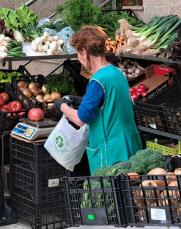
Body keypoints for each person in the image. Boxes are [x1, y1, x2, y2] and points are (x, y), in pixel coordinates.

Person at [58, 26, 141, 173]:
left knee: (110, 194)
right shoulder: (117, 73)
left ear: (84, 51)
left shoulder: (97, 81)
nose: (79, 59)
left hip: (110, 153)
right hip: (130, 144)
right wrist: (83, 100)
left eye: (78, 53)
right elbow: (111, 102)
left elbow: (80, 119)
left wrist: (61, 106)